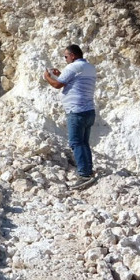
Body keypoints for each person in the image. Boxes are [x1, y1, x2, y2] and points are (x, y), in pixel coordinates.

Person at [43, 44, 97, 189]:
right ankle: (88, 171)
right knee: (84, 142)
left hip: (76, 111)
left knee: (76, 143)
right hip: (89, 111)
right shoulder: (90, 68)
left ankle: (84, 175)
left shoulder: (72, 68)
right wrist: (61, 74)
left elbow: (57, 85)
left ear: (72, 55)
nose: (65, 59)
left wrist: (48, 77)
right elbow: (75, 81)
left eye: (66, 56)